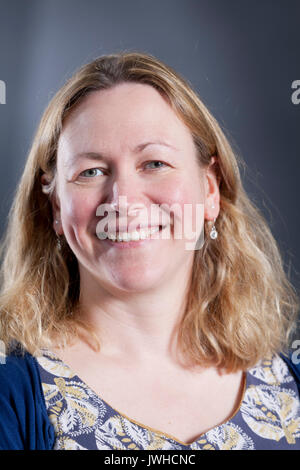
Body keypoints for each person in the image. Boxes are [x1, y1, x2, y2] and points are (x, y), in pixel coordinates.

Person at [0, 51, 299, 451]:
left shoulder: (289, 385)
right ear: (56, 208)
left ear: (209, 191)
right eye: (91, 172)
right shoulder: (11, 391)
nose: (123, 200)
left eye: (154, 163)